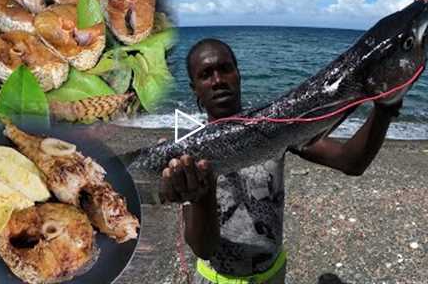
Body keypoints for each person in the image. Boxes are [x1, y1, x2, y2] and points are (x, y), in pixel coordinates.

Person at [159, 38, 403, 284]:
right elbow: (203, 248)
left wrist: (385, 108)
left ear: (238, 73)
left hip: (273, 274)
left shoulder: (272, 130)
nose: (218, 80)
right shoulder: (188, 154)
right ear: (194, 88)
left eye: (225, 69)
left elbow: (351, 161)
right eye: (205, 74)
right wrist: (202, 195)